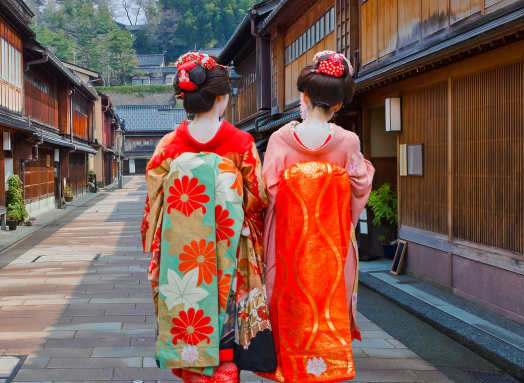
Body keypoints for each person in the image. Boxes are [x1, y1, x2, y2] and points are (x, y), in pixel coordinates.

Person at [141, 52, 276, 382]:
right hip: (229, 253)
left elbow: (154, 206)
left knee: (190, 325)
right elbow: (258, 198)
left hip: (183, 257)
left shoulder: (169, 147)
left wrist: (155, 238)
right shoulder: (241, 143)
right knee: (225, 342)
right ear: (222, 99)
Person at [258, 51, 375, 382]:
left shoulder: (281, 139)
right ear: (338, 105)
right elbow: (359, 186)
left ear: (304, 96)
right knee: (328, 311)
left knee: (290, 312)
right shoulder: (347, 141)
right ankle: (327, 367)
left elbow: (267, 193)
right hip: (330, 251)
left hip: (288, 249)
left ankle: (290, 369)